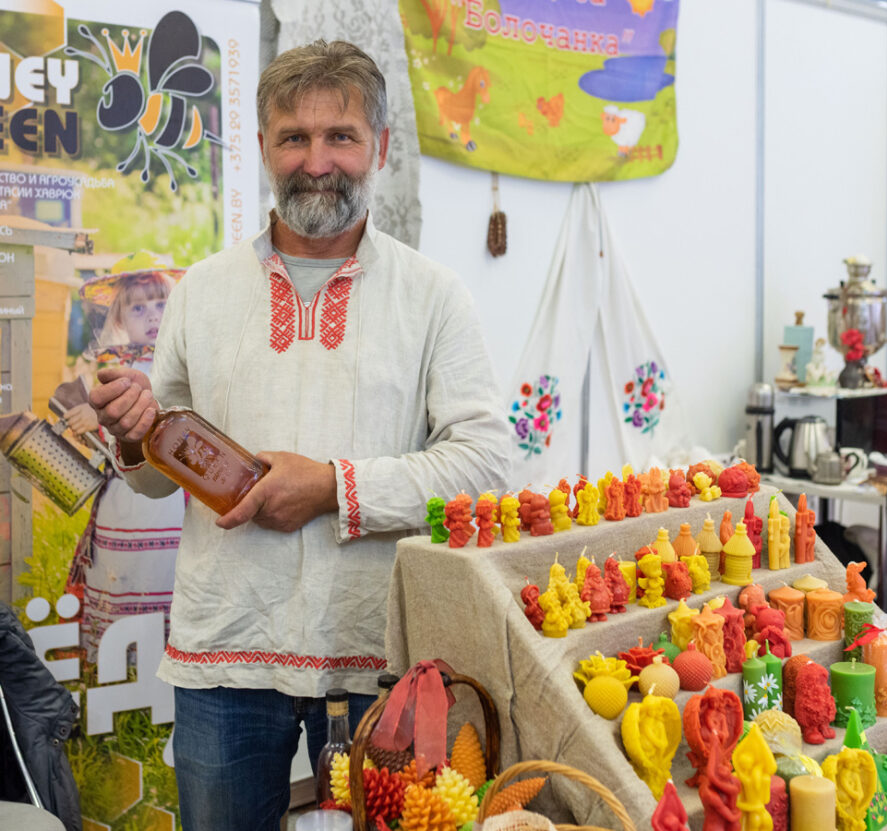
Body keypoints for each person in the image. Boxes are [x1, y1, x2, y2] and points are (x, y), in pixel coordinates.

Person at [88, 41, 510, 830]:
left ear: (380, 147)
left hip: (379, 654)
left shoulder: (434, 298)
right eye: (294, 137)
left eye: (340, 136)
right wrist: (135, 434)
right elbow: (159, 470)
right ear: (262, 148)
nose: (317, 161)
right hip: (226, 647)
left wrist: (331, 486)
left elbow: (485, 465)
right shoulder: (203, 292)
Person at [64, 258, 185, 664]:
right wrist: (89, 418)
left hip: (170, 499)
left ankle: (165, 661)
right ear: (119, 316)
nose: (152, 317)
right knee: (124, 568)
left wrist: (97, 417)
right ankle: (122, 668)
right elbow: (110, 428)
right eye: (138, 308)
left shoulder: (178, 364)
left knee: (165, 569)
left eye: (160, 305)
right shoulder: (110, 367)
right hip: (124, 500)